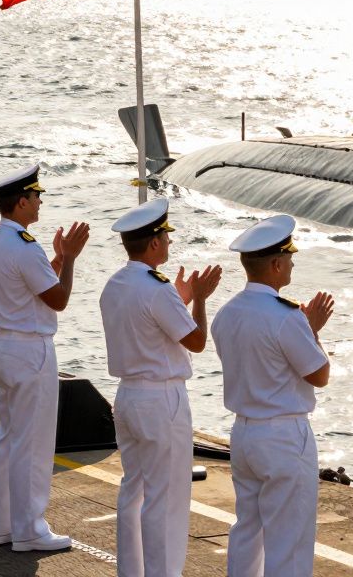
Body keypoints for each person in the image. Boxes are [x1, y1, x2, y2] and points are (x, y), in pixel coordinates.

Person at [101, 198, 222, 577]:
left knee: (133, 490)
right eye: (165, 237)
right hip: (161, 399)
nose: (169, 243)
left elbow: (147, 325)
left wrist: (180, 299)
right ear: (153, 243)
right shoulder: (157, 288)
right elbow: (197, 341)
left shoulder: (115, 284)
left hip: (128, 396)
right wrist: (199, 299)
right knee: (166, 498)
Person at [212, 215, 333, 577]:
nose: (292, 264)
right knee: (289, 540)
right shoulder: (287, 316)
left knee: (248, 528)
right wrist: (312, 330)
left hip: (244, 433)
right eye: (290, 259)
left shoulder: (226, 313)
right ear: (276, 264)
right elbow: (320, 374)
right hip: (282, 436)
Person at [0, 163, 89, 551]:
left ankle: (6, 526)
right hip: (30, 350)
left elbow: (32, 286)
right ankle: (30, 530)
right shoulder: (25, 245)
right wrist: (70, 258)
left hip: (4, 346)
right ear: (21, 201)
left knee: (9, 439)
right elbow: (57, 299)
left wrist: (56, 259)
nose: (40, 201)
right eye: (36, 195)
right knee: (34, 443)